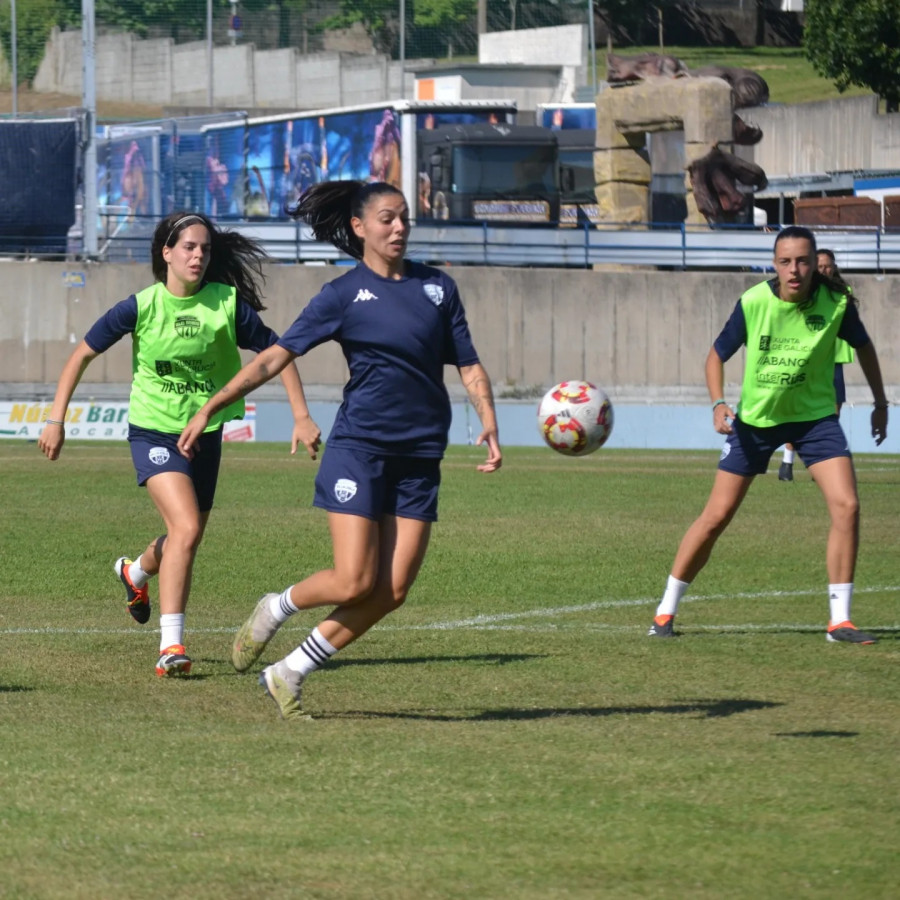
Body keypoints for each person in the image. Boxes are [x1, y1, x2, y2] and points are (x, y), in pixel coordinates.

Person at [177, 181, 502, 719]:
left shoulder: (438, 289)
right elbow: (272, 358)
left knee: (391, 591)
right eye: (387, 219)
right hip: (359, 449)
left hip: (421, 457)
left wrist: (487, 418)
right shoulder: (343, 295)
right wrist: (212, 406)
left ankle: (288, 672)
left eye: (404, 219)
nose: (399, 228)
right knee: (354, 579)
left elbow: (466, 362)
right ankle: (276, 605)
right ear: (359, 227)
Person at [38, 211, 321, 676]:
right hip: (153, 431)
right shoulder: (140, 306)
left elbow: (279, 353)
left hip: (205, 436)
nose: (198, 255)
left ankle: (136, 573)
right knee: (186, 529)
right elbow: (80, 355)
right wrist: (55, 419)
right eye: (189, 247)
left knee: (183, 536)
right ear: (166, 253)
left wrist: (302, 415)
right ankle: (171, 647)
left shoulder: (226, 304)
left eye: (205, 249)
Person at [648, 226, 888, 644]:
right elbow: (715, 355)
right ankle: (665, 611)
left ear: (815, 263)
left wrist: (881, 403)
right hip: (756, 423)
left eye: (802, 261)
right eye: (785, 261)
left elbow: (864, 347)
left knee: (847, 505)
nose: (794, 270)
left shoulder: (837, 303)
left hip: (814, 420)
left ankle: (840, 621)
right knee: (716, 518)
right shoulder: (754, 301)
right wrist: (718, 403)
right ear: (774, 264)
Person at [778, 247, 854, 481]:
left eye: (827, 266)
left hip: (835, 360)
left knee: (833, 412)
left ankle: (823, 463)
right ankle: (787, 463)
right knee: (798, 412)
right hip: (809, 360)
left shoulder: (843, 292)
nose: (824, 270)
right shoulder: (806, 292)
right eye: (819, 266)